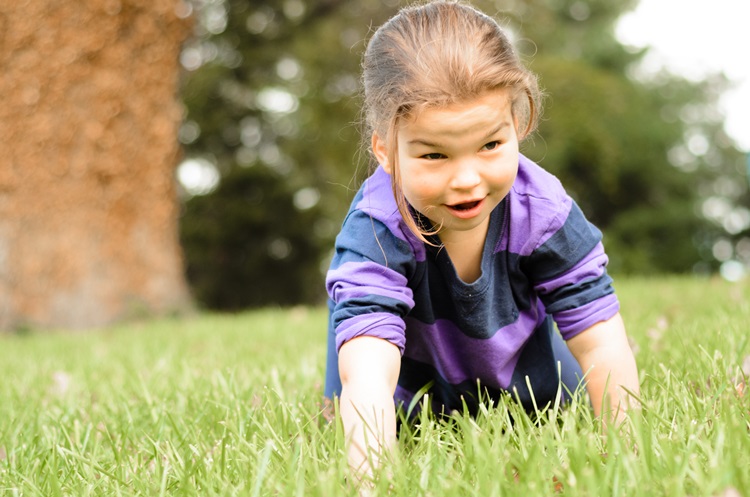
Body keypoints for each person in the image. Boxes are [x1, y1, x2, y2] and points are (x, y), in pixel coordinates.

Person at [323, 0, 640, 481]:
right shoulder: (377, 228)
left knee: (574, 392)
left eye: (491, 145)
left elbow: (599, 343)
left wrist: (629, 457)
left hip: (528, 385)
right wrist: (369, 482)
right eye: (434, 155)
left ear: (518, 124)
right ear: (386, 151)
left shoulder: (544, 213)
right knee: (355, 330)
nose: (467, 179)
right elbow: (368, 377)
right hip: (416, 395)